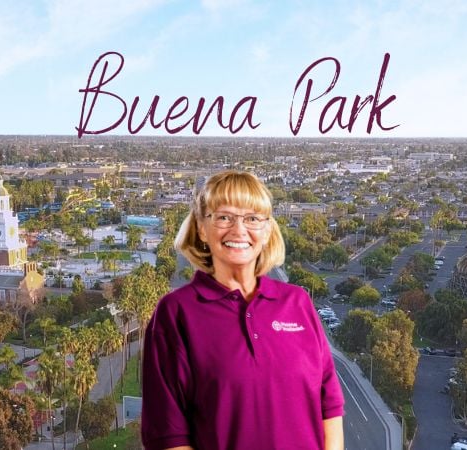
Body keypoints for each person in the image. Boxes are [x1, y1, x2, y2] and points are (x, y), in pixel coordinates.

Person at [142, 170, 344, 450]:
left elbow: (330, 405)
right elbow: (168, 435)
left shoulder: (297, 302)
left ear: (267, 229)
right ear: (202, 227)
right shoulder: (176, 313)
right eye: (224, 217)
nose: (239, 230)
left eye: (252, 218)